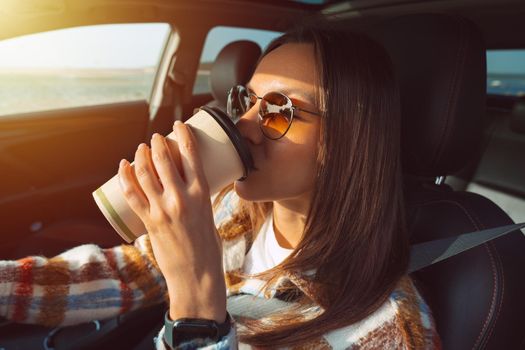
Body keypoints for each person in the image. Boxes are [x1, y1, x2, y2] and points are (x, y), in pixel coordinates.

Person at [0, 24, 441, 349]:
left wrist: (197, 311)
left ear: (352, 137)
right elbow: (125, 274)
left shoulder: (386, 331)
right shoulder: (232, 208)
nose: (244, 125)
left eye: (280, 110)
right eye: (248, 101)